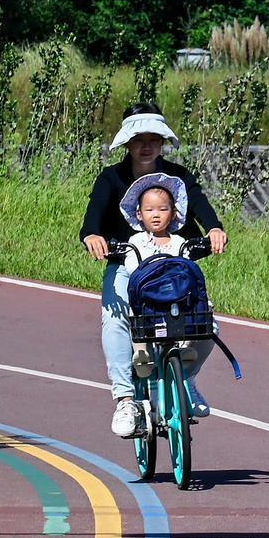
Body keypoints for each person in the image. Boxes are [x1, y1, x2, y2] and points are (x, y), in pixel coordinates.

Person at [81, 102, 227, 437]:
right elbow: (94, 216)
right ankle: (125, 400)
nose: (146, 146)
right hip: (127, 264)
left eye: (154, 139)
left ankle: (185, 380)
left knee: (205, 322)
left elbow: (199, 203)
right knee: (115, 318)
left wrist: (214, 228)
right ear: (127, 143)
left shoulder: (179, 176)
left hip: (174, 262)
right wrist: (92, 235)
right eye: (139, 139)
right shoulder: (110, 178)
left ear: (162, 143)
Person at [116, 172, 216, 384]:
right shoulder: (136, 241)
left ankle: (186, 347)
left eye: (163, 209)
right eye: (149, 210)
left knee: (201, 307)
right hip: (149, 297)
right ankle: (141, 353)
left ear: (173, 213)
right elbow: (132, 267)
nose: (156, 215)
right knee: (135, 310)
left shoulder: (179, 241)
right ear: (139, 214)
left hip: (175, 295)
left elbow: (186, 266)